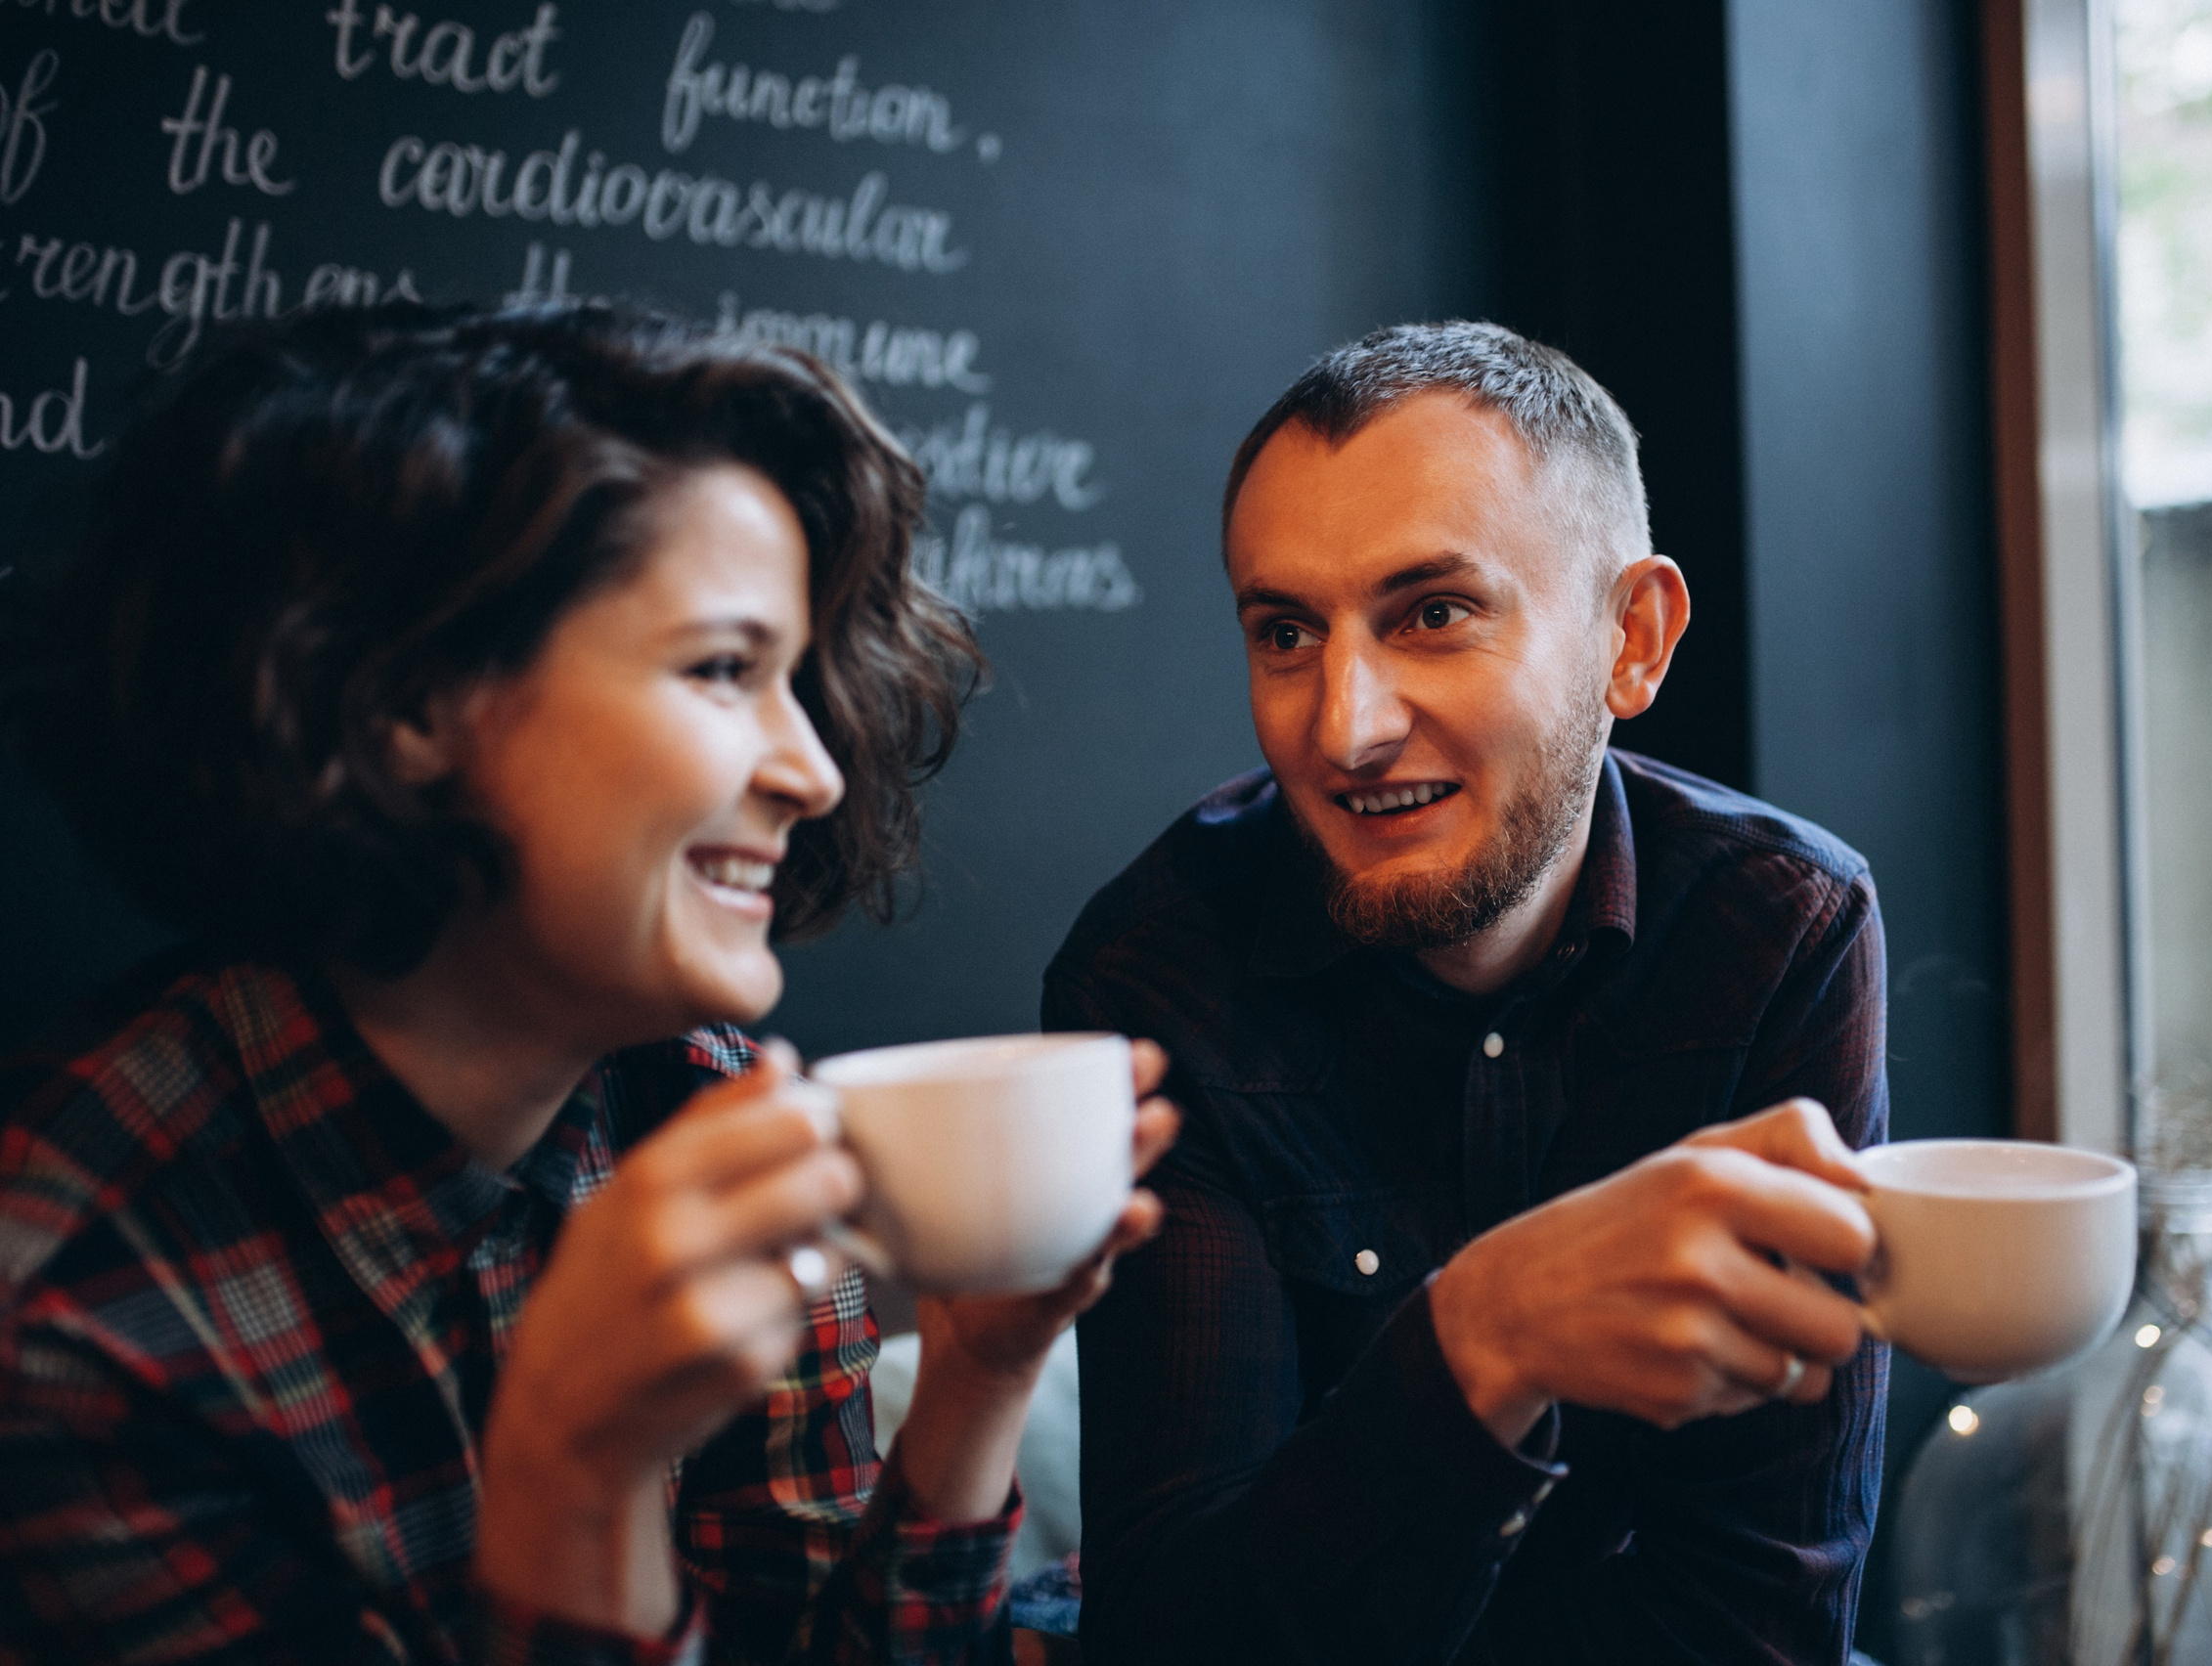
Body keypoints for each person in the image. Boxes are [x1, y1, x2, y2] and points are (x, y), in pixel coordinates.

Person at [0, 303, 1176, 1666]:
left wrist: (978, 1377)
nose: (816, 769)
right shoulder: (69, 1319)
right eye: (725, 668)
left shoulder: (704, 1105)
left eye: (798, 677)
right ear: (408, 700)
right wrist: (579, 1473)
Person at [1046, 321, 1888, 1663]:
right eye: (1285, 632)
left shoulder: (1779, 927)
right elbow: (1179, 1634)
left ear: (1635, 638)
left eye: (1432, 614)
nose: (1346, 726)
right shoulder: (1157, 974)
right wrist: (1484, 1337)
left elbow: (1765, 1608)